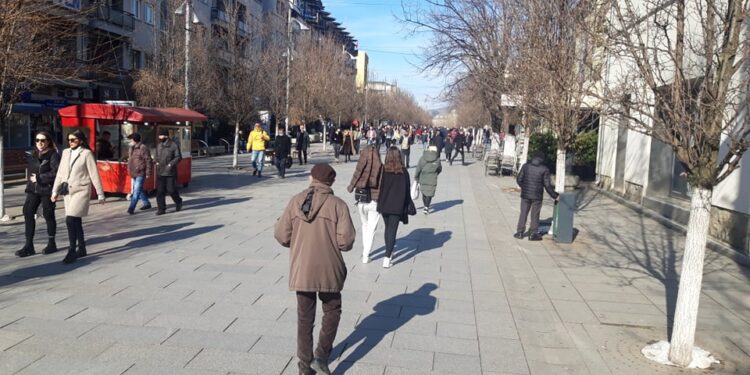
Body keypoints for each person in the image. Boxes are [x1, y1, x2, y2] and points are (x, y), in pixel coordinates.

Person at [274, 163, 356, 375]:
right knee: (332, 310)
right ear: (332, 182)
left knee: (304, 317)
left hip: (303, 268)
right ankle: (321, 356)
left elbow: (282, 235)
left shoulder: (295, 202)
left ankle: (304, 366)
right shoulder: (338, 205)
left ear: (311, 178)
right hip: (330, 268)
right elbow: (346, 242)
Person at [51, 130, 105, 264]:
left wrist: (100, 193)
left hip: (81, 190)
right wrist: (54, 191)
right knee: (75, 220)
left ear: (80, 140)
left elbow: (94, 174)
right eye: (69, 140)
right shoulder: (65, 152)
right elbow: (60, 173)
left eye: (73, 139)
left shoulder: (86, 153)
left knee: (70, 219)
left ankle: (72, 251)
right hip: (67, 191)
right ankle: (82, 248)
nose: (70, 142)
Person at [16, 131, 60, 258]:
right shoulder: (33, 154)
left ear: (48, 141)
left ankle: (52, 243)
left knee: (48, 214)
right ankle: (29, 245)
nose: (39, 143)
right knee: (28, 212)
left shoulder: (53, 155)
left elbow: (56, 173)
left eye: (43, 140)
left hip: (46, 189)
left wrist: (40, 178)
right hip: (33, 190)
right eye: (37, 140)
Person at [376, 147, 415, 268]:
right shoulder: (404, 172)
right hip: (397, 206)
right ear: (399, 157)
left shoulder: (383, 170)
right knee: (392, 230)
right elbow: (407, 190)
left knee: (388, 229)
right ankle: (387, 257)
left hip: (384, 205)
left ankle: (389, 250)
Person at [347, 145, 382, 264]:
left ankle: (365, 250)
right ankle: (366, 255)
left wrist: (351, 187)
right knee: (371, 228)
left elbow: (356, 175)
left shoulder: (361, 165)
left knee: (364, 225)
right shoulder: (381, 167)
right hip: (374, 201)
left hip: (362, 199)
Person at [515, 153, 559, 241]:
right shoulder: (544, 169)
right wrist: (555, 196)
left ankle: (520, 232)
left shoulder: (526, 166)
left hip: (525, 195)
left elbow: (519, 179)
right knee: (535, 214)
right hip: (537, 196)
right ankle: (533, 234)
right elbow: (547, 185)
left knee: (523, 212)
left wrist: (524, 188)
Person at [155, 128, 183, 215]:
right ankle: (161, 209)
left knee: (171, 190)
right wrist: (156, 161)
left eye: (161, 135)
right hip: (160, 171)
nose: (159, 137)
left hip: (170, 172)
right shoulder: (159, 146)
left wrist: (171, 164)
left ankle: (178, 201)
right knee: (160, 191)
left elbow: (178, 157)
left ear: (166, 136)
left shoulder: (173, 145)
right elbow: (157, 155)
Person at [126, 133, 153, 215]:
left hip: (140, 172)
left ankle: (131, 208)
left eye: (130, 139)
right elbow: (131, 158)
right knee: (139, 189)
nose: (129, 141)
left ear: (134, 140)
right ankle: (146, 203)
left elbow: (148, 160)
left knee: (136, 191)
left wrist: (148, 172)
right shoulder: (131, 148)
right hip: (133, 171)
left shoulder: (143, 148)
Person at [414, 144, 442, 215]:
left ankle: (425, 205)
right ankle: (426, 206)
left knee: (424, 192)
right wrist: (435, 173)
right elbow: (439, 169)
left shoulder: (422, 158)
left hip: (423, 178)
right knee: (430, 193)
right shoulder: (437, 160)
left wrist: (416, 177)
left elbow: (418, 168)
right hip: (432, 179)